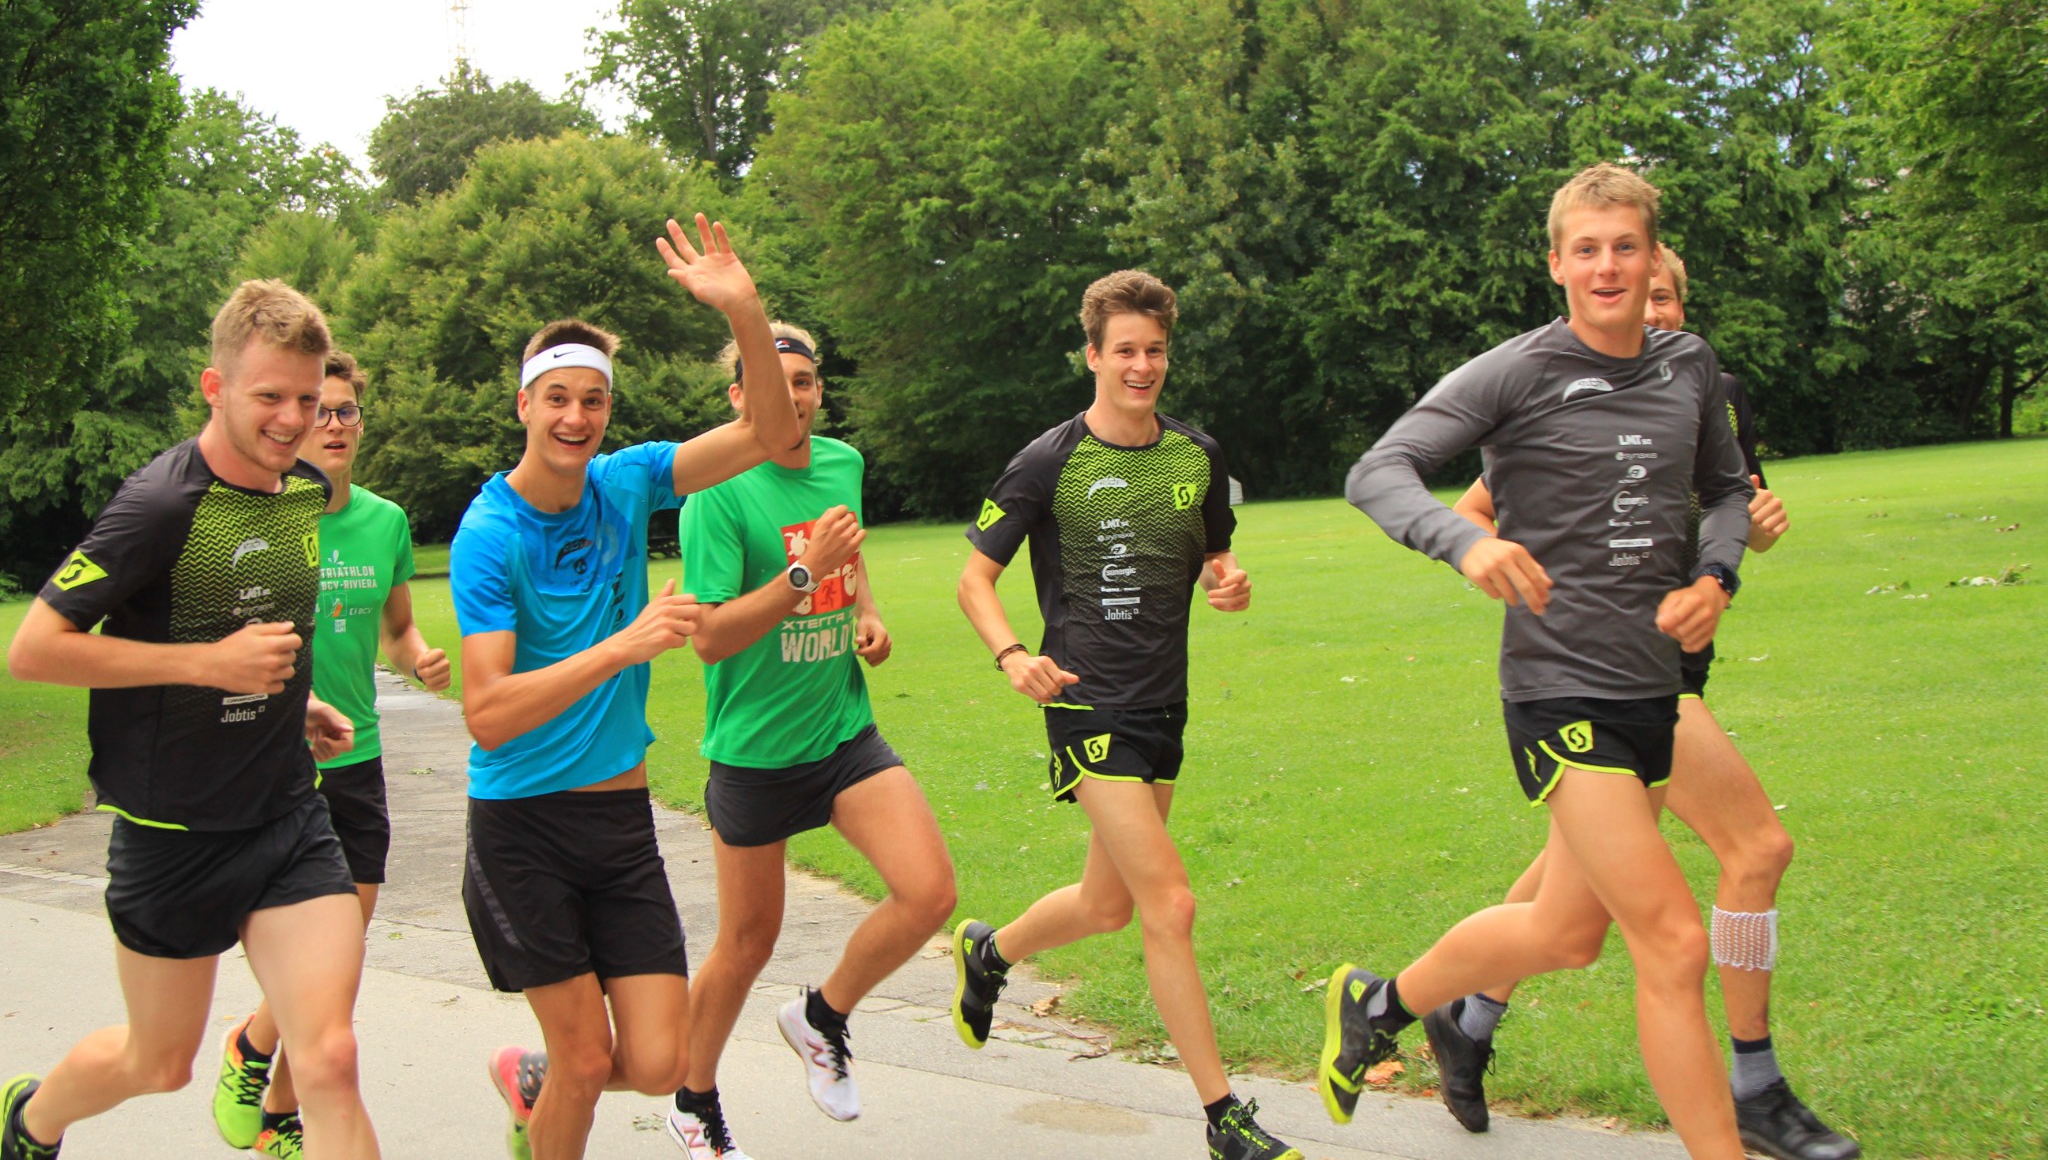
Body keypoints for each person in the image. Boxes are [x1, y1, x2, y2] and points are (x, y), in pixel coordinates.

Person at [1322, 164, 1753, 1159]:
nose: (1607, 267)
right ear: (1556, 262)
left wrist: (1715, 577)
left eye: (1625, 247)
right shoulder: (1514, 371)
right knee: (1672, 941)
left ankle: (1379, 1005)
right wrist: (1463, 542)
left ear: (1651, 256)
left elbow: (1727, 489)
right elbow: (1378, 470)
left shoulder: (1688, 366)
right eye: (1586, 249)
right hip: (1559, 686)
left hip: (1653, 688)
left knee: (1565, 932)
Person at [1427, 250, 1854, 1160]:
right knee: (1757, 848)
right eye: (1638, 294)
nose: (1650, 310)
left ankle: (1464, 1016)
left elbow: (1726, 514)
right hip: (1606, 672)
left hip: (1675, 663)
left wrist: (1753, 536)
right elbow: (1473, 510)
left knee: (1567, 883)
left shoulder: (1707, 390)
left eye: (1665, 296)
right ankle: (1754, 1085)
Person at [449, 217, 799, 1160]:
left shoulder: (626, 483)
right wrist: (622, 645)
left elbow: (773, 431)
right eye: (558, 398)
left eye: (593, 399)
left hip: (617, 820)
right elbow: (488, 713)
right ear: (524, 405)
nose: (576, 417)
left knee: (654, 1058)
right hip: (522, 826)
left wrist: (745, 309)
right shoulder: (489, 534)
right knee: (583, 1058)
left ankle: (529, 1085)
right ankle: (553, 1089)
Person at [4, 281, 379, 1160]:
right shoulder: (161, 504)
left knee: (328, 1057)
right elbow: (35, 648)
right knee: (158, 1061)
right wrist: (206, 666)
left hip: (287, 818)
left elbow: (250, 621)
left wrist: (294, 701)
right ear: (215, 388)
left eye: (308, 398)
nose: (293, 419)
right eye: (270, 396)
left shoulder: (303, 491)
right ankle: (30, 1119)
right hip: (171, 832)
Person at [950, 271, 1301, 1160]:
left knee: (1107, 904)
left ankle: (990, 954)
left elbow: (1217, 557)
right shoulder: (1048, 461)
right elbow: (975, 579)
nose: (1141, 366)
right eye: (1124, 351)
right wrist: (1012, 654)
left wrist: (1230, 582)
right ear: (1093, 356)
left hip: (1162, 704)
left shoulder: (1197, 455)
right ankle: (1223, 1118)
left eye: (1154, 351)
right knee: (1169, 904)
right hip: (1085, 701)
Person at [664, 324, 955, 1160]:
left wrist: (866, 611)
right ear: (740, 396)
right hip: (755, 751)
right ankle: (692, 1101)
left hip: (842, 731)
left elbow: (847, 560)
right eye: (772, 380)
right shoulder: (716, 491)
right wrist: (804, 574)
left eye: (803, 381)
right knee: (746, 943)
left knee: (929, 891)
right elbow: (710, 637)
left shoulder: (842, 463)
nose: (790, 395)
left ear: (819, 391)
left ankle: (821, 1015)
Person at [212, 350, 454, 1157]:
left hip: (359, 758)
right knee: (319, 958)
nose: (335, 424)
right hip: (277, 765)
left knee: (342, 958)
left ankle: (276, 1102)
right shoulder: (259, 517)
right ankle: (255, 1047)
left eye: (347, 410)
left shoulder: (385, 522)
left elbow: (396, 627)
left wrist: (418, 657)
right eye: (321, 410)